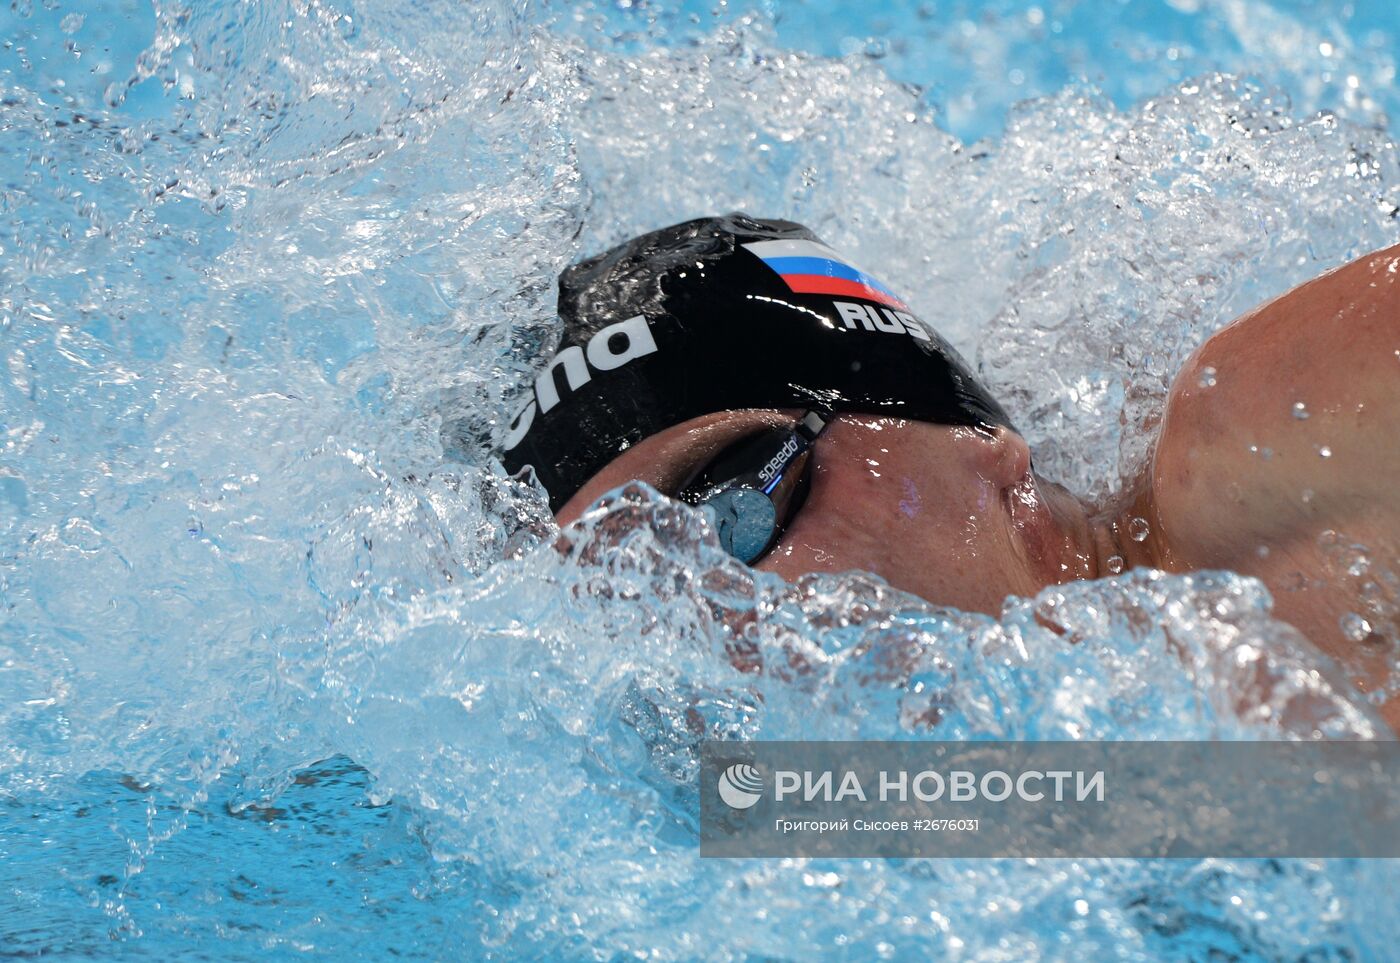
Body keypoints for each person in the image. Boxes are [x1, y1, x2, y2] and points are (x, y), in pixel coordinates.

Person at [500, 214, 1400, 730]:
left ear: (978, 447)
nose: (726, 628)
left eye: (732, 514)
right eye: (630, 601)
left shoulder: (1271, 440)